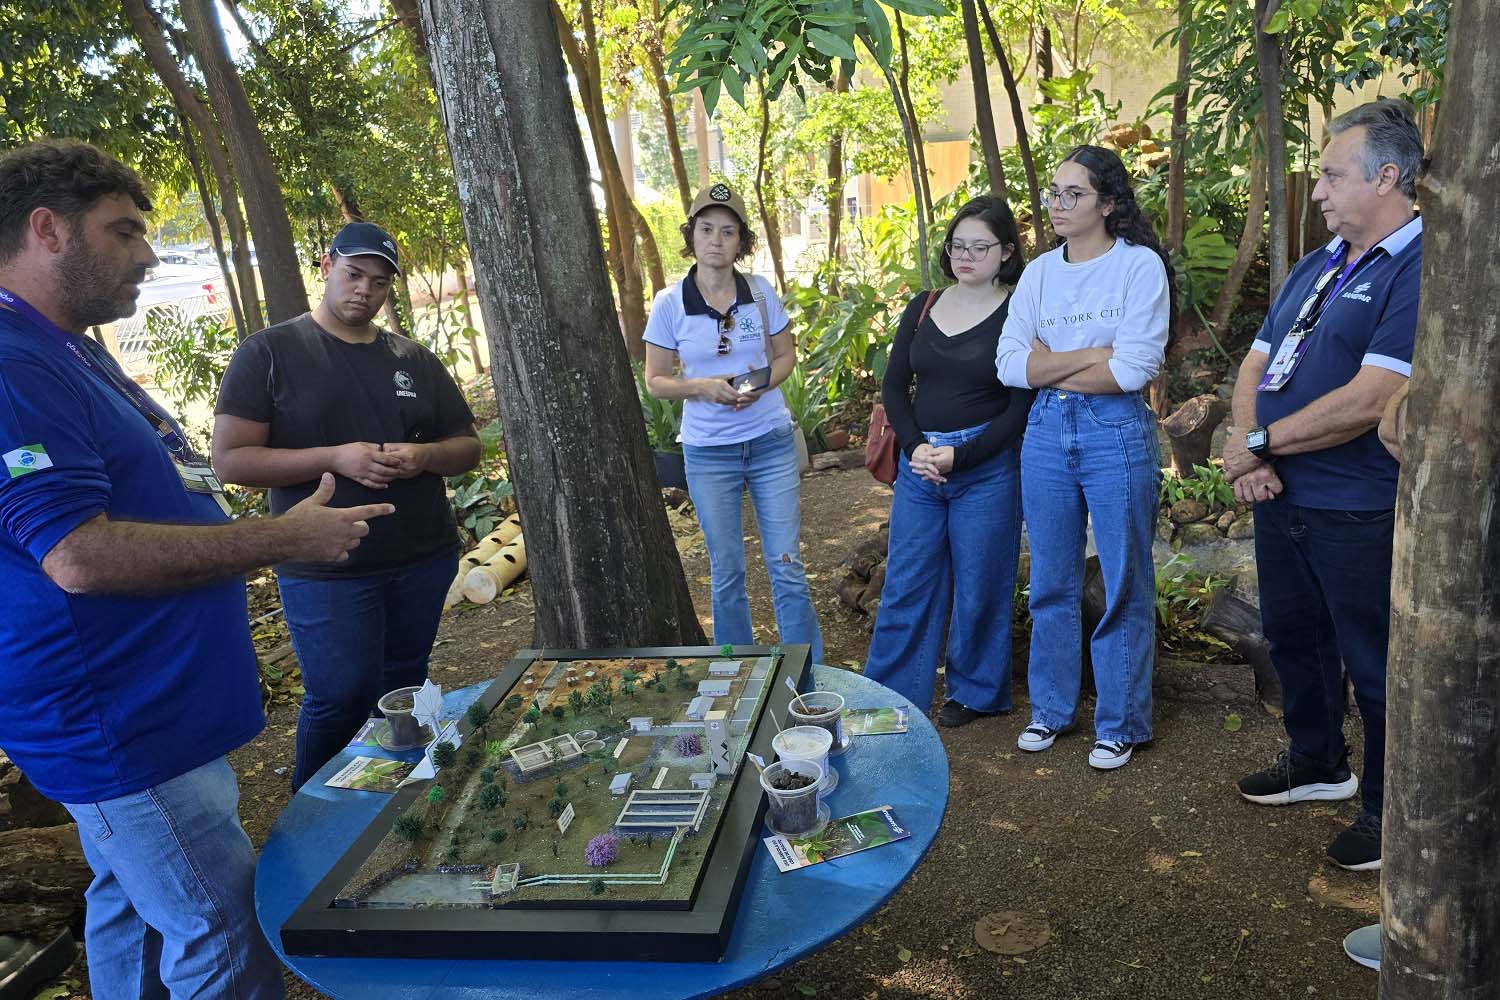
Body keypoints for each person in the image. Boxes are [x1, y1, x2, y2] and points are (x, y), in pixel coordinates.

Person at [0, 140, 392, 998]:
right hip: (119, 723)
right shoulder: (12, 362)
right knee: (221, 930)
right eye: (125, 231)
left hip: (147, 707)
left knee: (132, 909)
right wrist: (281, 538)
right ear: (47, 230)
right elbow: (78, 555)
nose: (148, 254)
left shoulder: (61, 345)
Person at [1223, 99, 1422, 873]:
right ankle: (1316, 762)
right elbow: (1255, 362)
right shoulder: (1321, 262)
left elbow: (1374, 399)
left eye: (1334, 175)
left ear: (1387, 177)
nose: (1318, 190)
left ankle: (1388, 812)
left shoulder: (1418, 264)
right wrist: (1254, 453)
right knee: (1293, 637)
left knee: (1374, 662)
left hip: (1357, 503)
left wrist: (1258, 444)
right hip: (1283, 493)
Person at [214, 221, 481, 790]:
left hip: (420, 556)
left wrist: (424, 456)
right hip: (326, 567)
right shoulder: (270, 352)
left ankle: (394, 800)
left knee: (404, 687)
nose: (364, 290)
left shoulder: (413, 359)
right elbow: (232, 461)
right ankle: (312, 810)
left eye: (379, 283)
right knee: (339, 697)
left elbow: (466, 447)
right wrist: (336, 457)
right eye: (354, 274)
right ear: (326, 266)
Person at [995, 144, 1171, 770]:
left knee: (1124, 579)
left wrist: (1050, 362)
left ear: (1109, 203)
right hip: (1045, 431)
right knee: (1050, 580)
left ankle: (1120, 723)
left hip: (1115, 430)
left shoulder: (1138, 267)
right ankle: (1051, 709)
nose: (1058, 204)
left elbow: (1133, 370)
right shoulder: (1041, 272)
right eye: (1054, 193)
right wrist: (1094, 354)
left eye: (1074, 194)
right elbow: (1009, 365)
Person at [863, 196, 1032, 726]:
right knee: (905, 584)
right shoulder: (924, 305)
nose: (966, 256)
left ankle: (975, 694)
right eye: (958, 246)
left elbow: (1020, 404)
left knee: (982, 585)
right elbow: (894, 386)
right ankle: (889, 696)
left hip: (986, 468)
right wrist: (915, 447)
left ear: (1006, 252)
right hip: (921, 467)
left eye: (980, 247)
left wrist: (962, 456)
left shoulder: (1019, 310)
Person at [642, 183, 823, 662]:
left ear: (741, 241)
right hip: (708, 453)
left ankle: (807, 676)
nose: (716, 240)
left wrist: (760, 384)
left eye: (728, 231)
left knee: (786, 565)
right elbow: (655, 381)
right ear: (692, 236)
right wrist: (702, 387)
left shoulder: (760, 293)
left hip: (769, 443)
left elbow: (785, 357)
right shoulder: (669, 303)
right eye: (706, 229)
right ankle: (737, 674)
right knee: (726, 572)